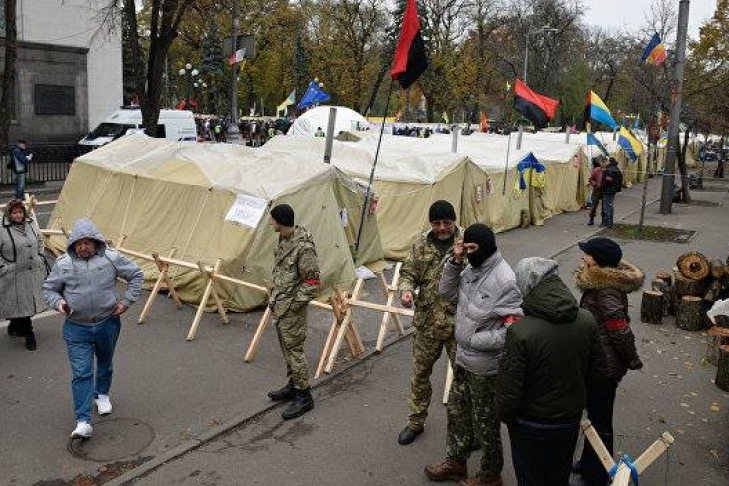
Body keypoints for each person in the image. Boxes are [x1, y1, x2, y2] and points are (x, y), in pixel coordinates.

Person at [425, 224, 523, 486]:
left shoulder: (505, 280)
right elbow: (445, 293)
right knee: (457, 412)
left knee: (486, 422)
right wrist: (455, 262)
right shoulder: (468, 268)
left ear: (487, 246)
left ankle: (491, 475)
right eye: (465, 248)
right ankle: (456, 461)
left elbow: (513, 330)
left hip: (486, 366)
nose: (468, 253)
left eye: (472, 249)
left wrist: (475, 340)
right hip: (463, 359)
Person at [496, 257, 605, 486]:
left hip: (529, 424)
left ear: (528, 285)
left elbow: (509, 389)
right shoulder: (586, 320)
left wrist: (507, 416)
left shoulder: (520, 331)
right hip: (568, 420)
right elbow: (599, 372)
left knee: (530, 479)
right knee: (559, 477)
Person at [43, 219, 144, 438]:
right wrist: (59, 303)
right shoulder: (63, 264)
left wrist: (126, 302)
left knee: (105, 362)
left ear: (96, 242)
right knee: (81, 373)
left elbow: (136, 274)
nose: (84, 247)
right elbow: (49, 290)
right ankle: (83, 421)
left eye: (88, 242)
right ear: (73, 245)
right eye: (79, 243)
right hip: (76, 328)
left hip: (107, 323)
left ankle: (102, 394)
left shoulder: (111, 258)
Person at [572, 237, 644, 486]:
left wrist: (632, 359)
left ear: (598, 261)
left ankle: (599, 473)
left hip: (603, 367)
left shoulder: (606, 290)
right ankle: (588, 463)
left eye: (588, 255)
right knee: (593, 417)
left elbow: (619, 330)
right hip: (597, 363)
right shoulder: (600, 285)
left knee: (600, 420)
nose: (583, 258)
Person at [397, 200, 462, 445]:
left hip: (459, 324)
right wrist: (405, 290)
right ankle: (415, 422)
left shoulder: (466, 242)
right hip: (427, 323)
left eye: (447, 222)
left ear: (454, 220)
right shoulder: (421, 244)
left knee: (464, 378)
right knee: (420, 374)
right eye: (437, 223)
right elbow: (408, 273)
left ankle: (464, 426)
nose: (443, 228)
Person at [266, 204, 321, 420]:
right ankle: (294, 385)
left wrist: (294, 305)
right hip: (281, 306)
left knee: (295, 351)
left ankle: (304, 396)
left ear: (280, 221)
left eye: (272, 219)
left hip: (291, 308)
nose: (270, 223)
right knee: (287, 349)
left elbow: (313, 281)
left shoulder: (303, 247)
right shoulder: (284, 239)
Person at [0, 199, 47, 350]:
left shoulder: (31, 223)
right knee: (24, 305)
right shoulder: (2, 229)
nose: (18, 215)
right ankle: (29, 335)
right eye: (14, 212)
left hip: (33, 272)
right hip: (13, 274)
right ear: (9, 213)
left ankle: (14, 325)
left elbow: (40, 240)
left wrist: (40, 256)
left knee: (23, 304)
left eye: (20, 212)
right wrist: (4, 266)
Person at [599, 157, 622, 227]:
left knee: (607, 206)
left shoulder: (609, 170)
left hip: (608, 190)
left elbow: (607, 181)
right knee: (609, 205)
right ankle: (609, 222)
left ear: (610, 162)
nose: (606, 162)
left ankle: (608, 222)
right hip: (613, 190)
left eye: (607, 161)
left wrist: (602, 186)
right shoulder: (616, 168)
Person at [587, 156, 606, 226]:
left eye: (604, 162)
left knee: (604, 206)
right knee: (594, 205)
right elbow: (590, 179)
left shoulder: (608, 170)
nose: (603, 164)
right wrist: (594, 183)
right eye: (602, 162)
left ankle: (604, 220)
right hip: (596, 190)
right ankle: (591, 219)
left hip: (605, 191)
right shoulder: (596, 170)